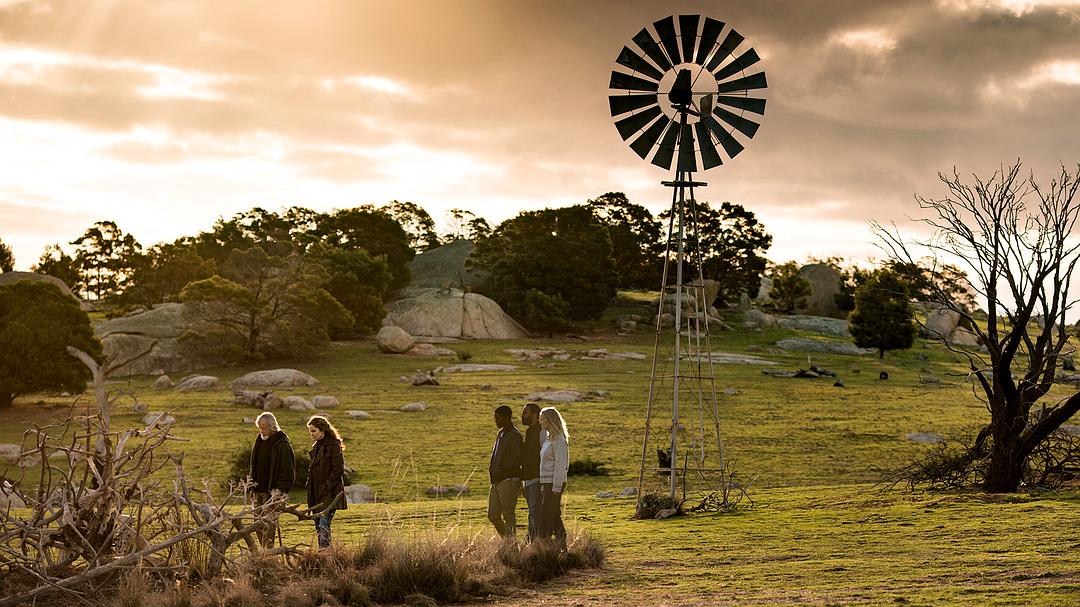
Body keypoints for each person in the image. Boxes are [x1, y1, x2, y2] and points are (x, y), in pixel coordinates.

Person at [248, 411, 295, 548]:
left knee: (269, 525)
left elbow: (288, 473)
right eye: (260, 427)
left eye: (264, 427)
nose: (262, 431)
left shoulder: (283, 445)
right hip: (258, 491)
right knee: (256, 523)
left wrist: (278, 492)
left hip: (273, 493)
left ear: (273, 427)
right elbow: (253, 465)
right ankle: (265, 552)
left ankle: (268, 554)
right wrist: (251, 486)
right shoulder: (259, 441)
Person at [306, 415, 347, 549]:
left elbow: (338, 470)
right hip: (316, 493)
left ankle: (325, 555)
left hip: (329, 493)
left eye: (314, 431)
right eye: (310, 431)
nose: (311, 434)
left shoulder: (334, 445)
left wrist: (325, 487)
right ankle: (325, 556)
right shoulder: (316, 446)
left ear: (322, 430)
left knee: (323, 525)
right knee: (318, 527)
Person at [488, 404, 523, 539]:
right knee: (493, 515)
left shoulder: (515, 435)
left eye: (498, 418)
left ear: (507, 418)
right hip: (497, 479)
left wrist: (502, 469)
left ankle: (512, 546)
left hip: (508, 480)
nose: (496, 421)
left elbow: (516, 459)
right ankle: (509, 541)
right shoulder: (500, 433)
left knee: (508, 514)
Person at [538, 406, 569, 549]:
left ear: (550, 420)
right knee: (554, 514)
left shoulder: (559, 440)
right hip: (547, 482)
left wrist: (556, 486)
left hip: (554, 483)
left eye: (542, 419)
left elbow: (560, 465)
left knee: (546, 515)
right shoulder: (548, 438)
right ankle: (561, 546)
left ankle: (545, 545)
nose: (540, 421)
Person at [520, 402, 546, 542]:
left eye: (525, 412)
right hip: (529, 478)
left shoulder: (541, 432)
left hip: (537, 478)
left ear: (535, 415)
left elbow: (545, 456)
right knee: (533, 511)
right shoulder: (530, 432)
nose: (522, 415)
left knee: (534, 512)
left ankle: (532, 542)